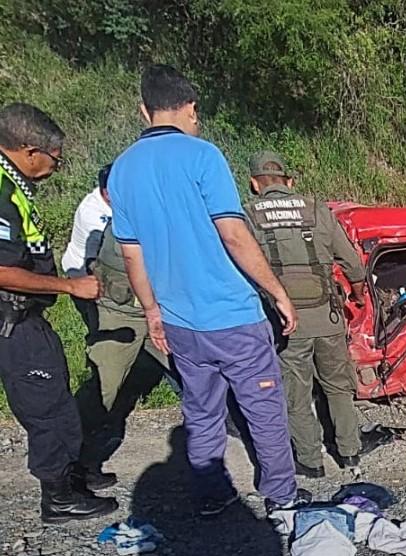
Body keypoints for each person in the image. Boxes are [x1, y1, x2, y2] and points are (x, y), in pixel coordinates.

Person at [108, 65, 308, 517]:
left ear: (144, 110)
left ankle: (212, 496)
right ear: (191, 109)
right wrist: (277, 292)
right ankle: (281, 496)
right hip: (233, 316)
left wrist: (152, 311)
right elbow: (233, 234)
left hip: (179, 322)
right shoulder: (204, 156)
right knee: (264, 410)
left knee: (201, 413)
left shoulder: (122, 170)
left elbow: (132, 256)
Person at [0, 102, 118, 523]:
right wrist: (69, 285)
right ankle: (59, 496)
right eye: (55, 159)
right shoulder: (1, 192)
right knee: (46, 405)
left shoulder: (12, 184)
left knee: (55, 396)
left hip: (26, 316)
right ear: (30, 151)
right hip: (13, 319)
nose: (56, 168)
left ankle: (72, 477)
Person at [244, 151, 366, 478]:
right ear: (290, 181)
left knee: (296, 394)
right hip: (327, 318)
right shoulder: (317, 210)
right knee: (338, 387)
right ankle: (350, 453)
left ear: (254, 184)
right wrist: (357, 295)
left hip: (286, 323)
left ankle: (311, 461)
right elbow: (352, 264)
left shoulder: (248, 216)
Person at [75, 220, 178, 470]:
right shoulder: (118, 209)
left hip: (169, 306)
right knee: (104, 385)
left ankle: (218, 443)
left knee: (199, 374)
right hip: (119, 308)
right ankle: (72, 463)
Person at [62, 164, 112, 330]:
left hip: (100, 273)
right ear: (107, 193)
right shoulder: (93, 215)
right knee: (100, 328)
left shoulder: (110, 198)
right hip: (84, 276)